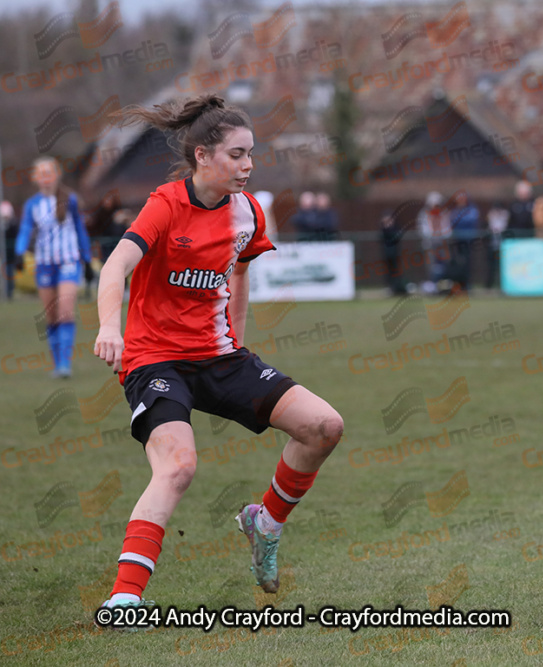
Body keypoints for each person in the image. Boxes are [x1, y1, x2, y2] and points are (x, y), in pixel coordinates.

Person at [92, 94, 344, 617]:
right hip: (155, 360)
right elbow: (115, 268)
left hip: (221, 357)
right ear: (203, 156)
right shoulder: (165, 204)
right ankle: (124, 599)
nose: (247, 165)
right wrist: (108, 329)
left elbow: (242, 271)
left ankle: (266, 522)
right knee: (178, 466)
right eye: (236, 154)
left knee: (324, 426)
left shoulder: (247, 212)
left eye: (251, 154)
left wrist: (240, 342)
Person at [14, 156, 94, 377]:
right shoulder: (32, 205)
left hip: (69, 261)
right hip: (44, 264)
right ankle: (56, 362)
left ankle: (64, 365)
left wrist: (87, 260)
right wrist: (19, 252)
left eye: (49, 173)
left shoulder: (71, 200)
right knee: (51, 316)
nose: (45, 178)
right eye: (41, 174)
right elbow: (25, 230)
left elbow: (80, 231)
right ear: (35, 178)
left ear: (57, 175)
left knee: (66, 311)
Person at [417, 191, 451, 293]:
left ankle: (442, 287)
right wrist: (433, 236)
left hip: (442, 245)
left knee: (443, 266)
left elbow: (447, 228)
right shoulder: (424, 214)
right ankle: (432, 287)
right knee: (431, 266)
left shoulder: (444, 213)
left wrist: (442, 235)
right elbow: (423, 229)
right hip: (430, 245)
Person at [449, 191, 480, 291]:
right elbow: (452, 222)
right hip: (456, 241)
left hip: (468, 241)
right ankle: (457, 285)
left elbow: (470, 221)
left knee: (467, 264)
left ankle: (467, 285)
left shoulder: (472, 210)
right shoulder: (454, 210)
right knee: (456, 264)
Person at [485, 201, 509, 289]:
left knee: (503, 266)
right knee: (491, 267)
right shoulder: (490, 216)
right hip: (492, 245)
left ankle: (503, 285)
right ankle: (489, 285)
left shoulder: (505, 216)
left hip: (503, 246)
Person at [3, 201, 16, 300]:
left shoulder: (13, 224)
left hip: (10, 255)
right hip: (3, 255)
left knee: (9, 272)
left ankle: (9, 292)